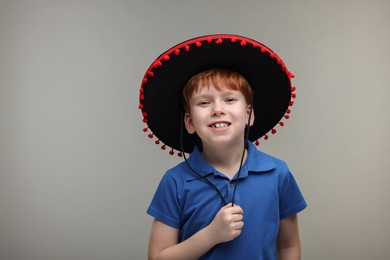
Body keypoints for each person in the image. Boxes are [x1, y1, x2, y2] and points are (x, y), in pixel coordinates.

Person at [139, 34, 307, 259]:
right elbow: (157, 257)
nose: (218, 109)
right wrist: (212, 234)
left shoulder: (278, 173)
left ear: (249, 114)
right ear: (190, 122)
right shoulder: (175, 181)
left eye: (229, 99)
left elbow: (288, 247)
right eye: (204, 102)